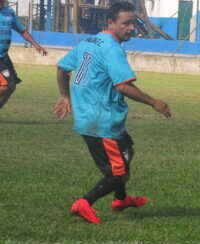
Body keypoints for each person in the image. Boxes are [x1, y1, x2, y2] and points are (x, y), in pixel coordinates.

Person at [52, 2, 172, 224]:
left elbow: (62, 67)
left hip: (95, 117)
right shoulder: (112, 49)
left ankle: (121, 199)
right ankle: (84, 202)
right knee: (118, 173)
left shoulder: (90, 40)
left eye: (133, 24)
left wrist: (64, 96)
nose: (131, 29)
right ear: (110, 23)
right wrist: (154, 102)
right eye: (125, 24)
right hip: (101, 120)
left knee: (127, 150)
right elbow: (123, 86)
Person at [0, 0, 48, 111]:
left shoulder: (9, 13)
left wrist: (36, 45)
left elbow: (22, 30)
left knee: (11, 86)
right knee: (4, 86)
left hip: (4, 57)